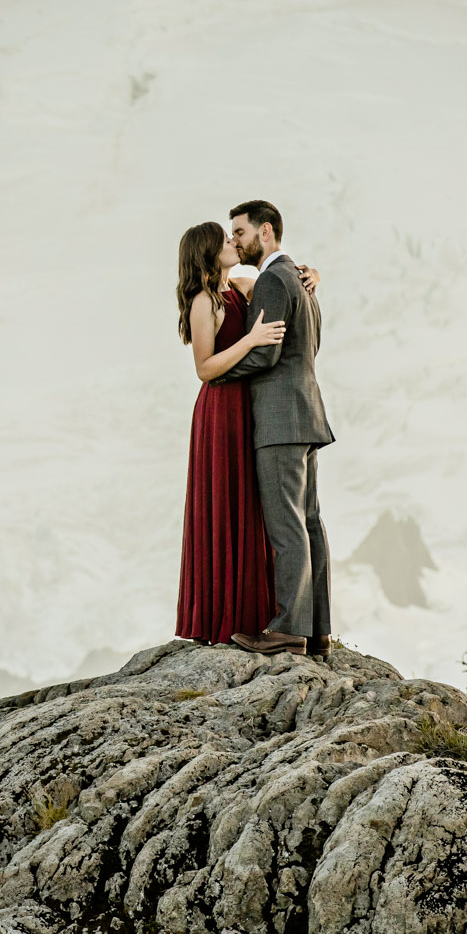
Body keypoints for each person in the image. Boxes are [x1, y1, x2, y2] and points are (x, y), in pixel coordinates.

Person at [215, 199, 334, 657]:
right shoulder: (303, 284)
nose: (236, 240)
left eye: (240, 231)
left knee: (287, 527)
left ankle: (287, 630)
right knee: (309, 522)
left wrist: (216, 375)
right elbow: (310, 347)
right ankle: (317, 630)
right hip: (308, 412)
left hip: (279, 419)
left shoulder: (270, 281)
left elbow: (265, 353)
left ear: (265, 232)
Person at [173, 222, 284, 645]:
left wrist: (315, 275)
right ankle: (220, 619)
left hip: (244, 408)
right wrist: (252, 339)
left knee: (246, 506)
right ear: (207, 250)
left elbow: (273, 278)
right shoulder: (204, 301)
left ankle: (248, 614)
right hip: (219, 409)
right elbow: (205, 367)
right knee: (224, 504)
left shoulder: (236, 285)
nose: (232, 243)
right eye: (224, 240)